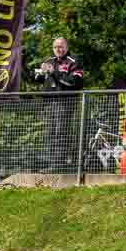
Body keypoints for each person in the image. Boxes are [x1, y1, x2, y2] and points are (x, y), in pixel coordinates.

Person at [33, 38, 84, 172]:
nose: (58, 49)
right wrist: (40, 73)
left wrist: (54, 73)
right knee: (50, 133)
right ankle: (52, 164)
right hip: (49, 103)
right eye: (55, 47)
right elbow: (37, 80)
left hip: (65, 102)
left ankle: (59, 165)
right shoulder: (48, 61)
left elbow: (73, 82)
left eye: (60, 47)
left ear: (66, 47)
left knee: (61, 131)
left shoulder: (73, 61)